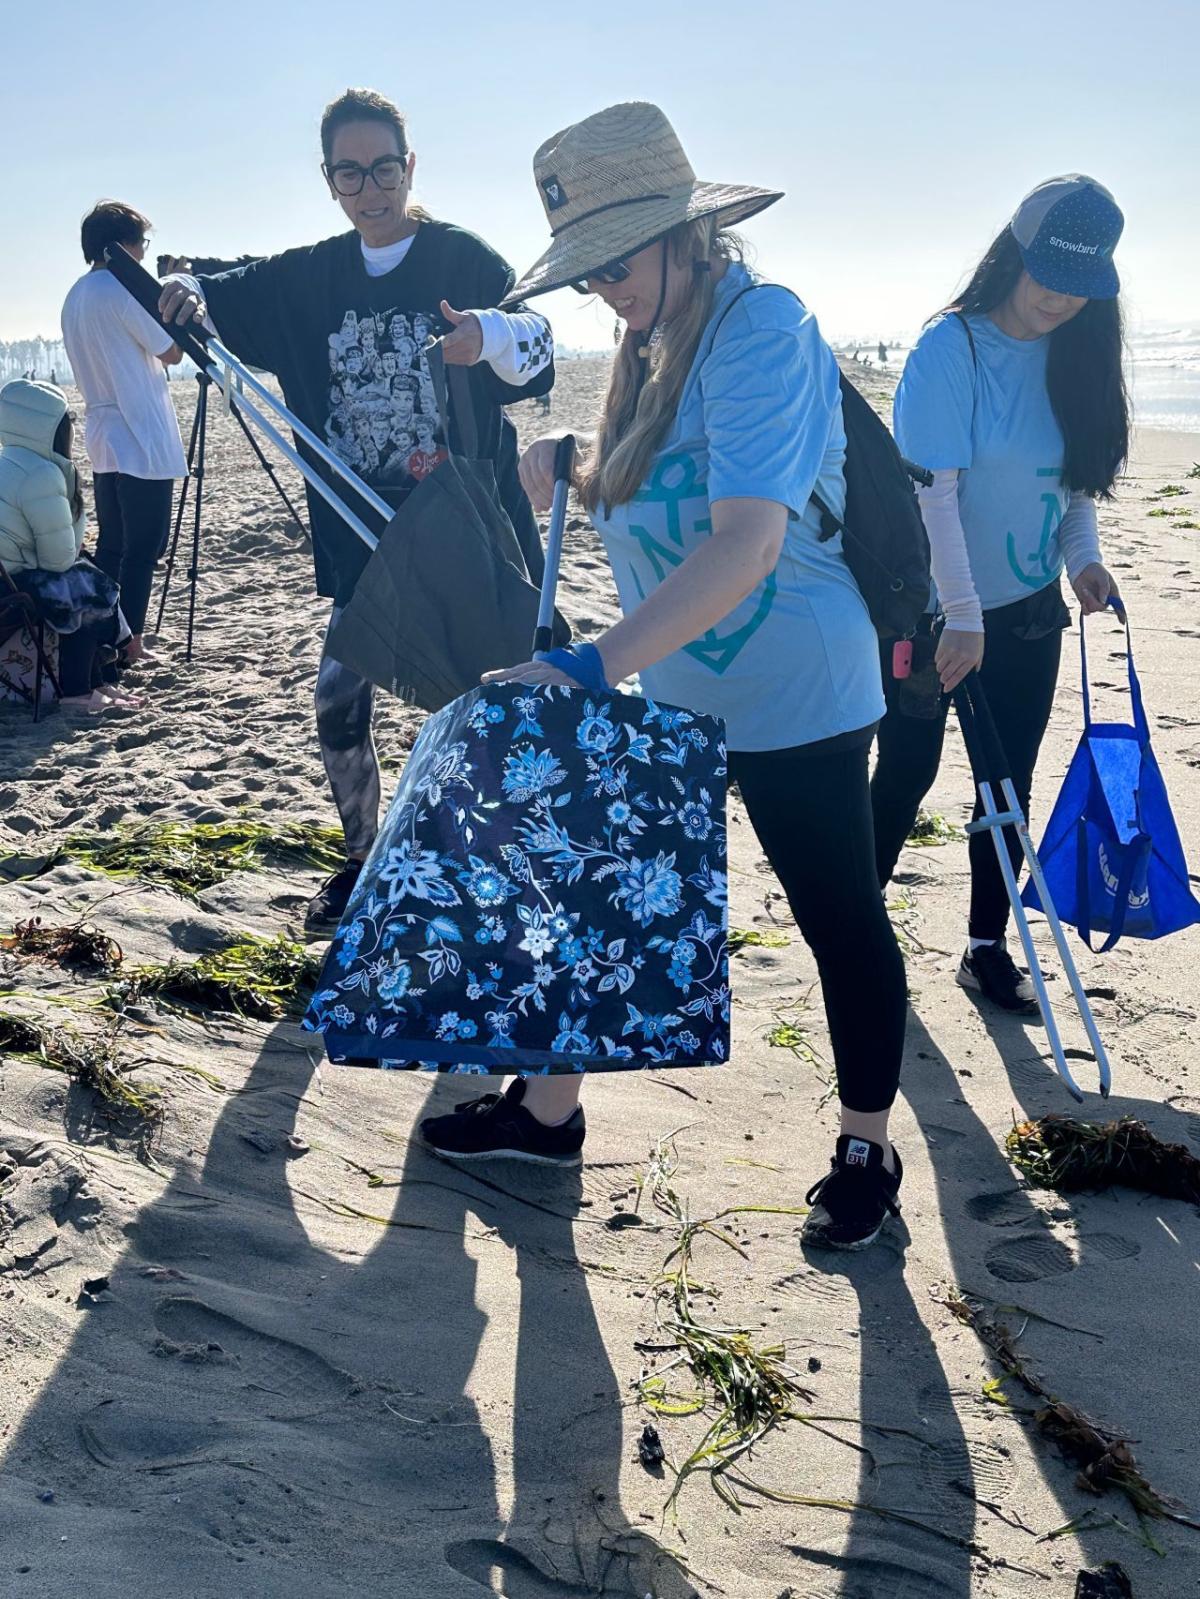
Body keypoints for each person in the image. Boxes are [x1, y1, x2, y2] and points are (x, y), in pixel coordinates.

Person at [419, 101, 909, 1253]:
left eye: (614, 265)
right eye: (582, 275)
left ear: (687, 234)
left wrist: (591, 663)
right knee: (597, 903)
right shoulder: (645, 342)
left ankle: (864, 1143)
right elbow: (663, 472)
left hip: (798, 693)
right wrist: (571, 459)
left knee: (838, 914)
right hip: (675, 687)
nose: (602, 293)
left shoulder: (763, 329)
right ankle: (547, 1117)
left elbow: (745, 535)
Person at [157, 87, 555, 935]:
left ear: (410, 168)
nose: (370, 189)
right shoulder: (310, 276)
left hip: (468, 535)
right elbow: (212, 285)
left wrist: (490, 335)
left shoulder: (463, 260)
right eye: (350, 173)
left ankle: (501, 872)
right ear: (329, 179)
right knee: (338, 700)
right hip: (364, 539)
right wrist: (184, 284)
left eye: (384, 169)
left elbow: (542, 347)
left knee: (487, 706)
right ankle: (366, 859)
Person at [870, 175, 1127, 1012]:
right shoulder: (951, 349)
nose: (1061, 298)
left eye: (1082, 285)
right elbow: (931, 494)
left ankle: (986, 944)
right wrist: (964, 616)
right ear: (1014, 252)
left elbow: (1073, 489)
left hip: (1027, 613)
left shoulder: (1076, 355)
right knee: (905, 770)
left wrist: (1082, 561)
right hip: (932, 610)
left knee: (1005, 787)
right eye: (1050, 272)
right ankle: (859, 930)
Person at [61, 202, 186, 669]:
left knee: (113, 545)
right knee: (145, 546)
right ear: (122, 246)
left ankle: (107, 636)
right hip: (140, 432)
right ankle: (128, 641)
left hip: (103, 432)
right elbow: (171, 350)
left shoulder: (76, 294)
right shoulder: (120, 288)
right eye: (140, 244)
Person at [0, 380, 133, 713]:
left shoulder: (7, 463)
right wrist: (74, 496)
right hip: (11, 588)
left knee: (83, 577)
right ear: (52, 429)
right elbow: (60, 559)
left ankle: (100, 682)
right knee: (85, 585)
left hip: (8, 578)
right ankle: (79, 691)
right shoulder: (41, 473)